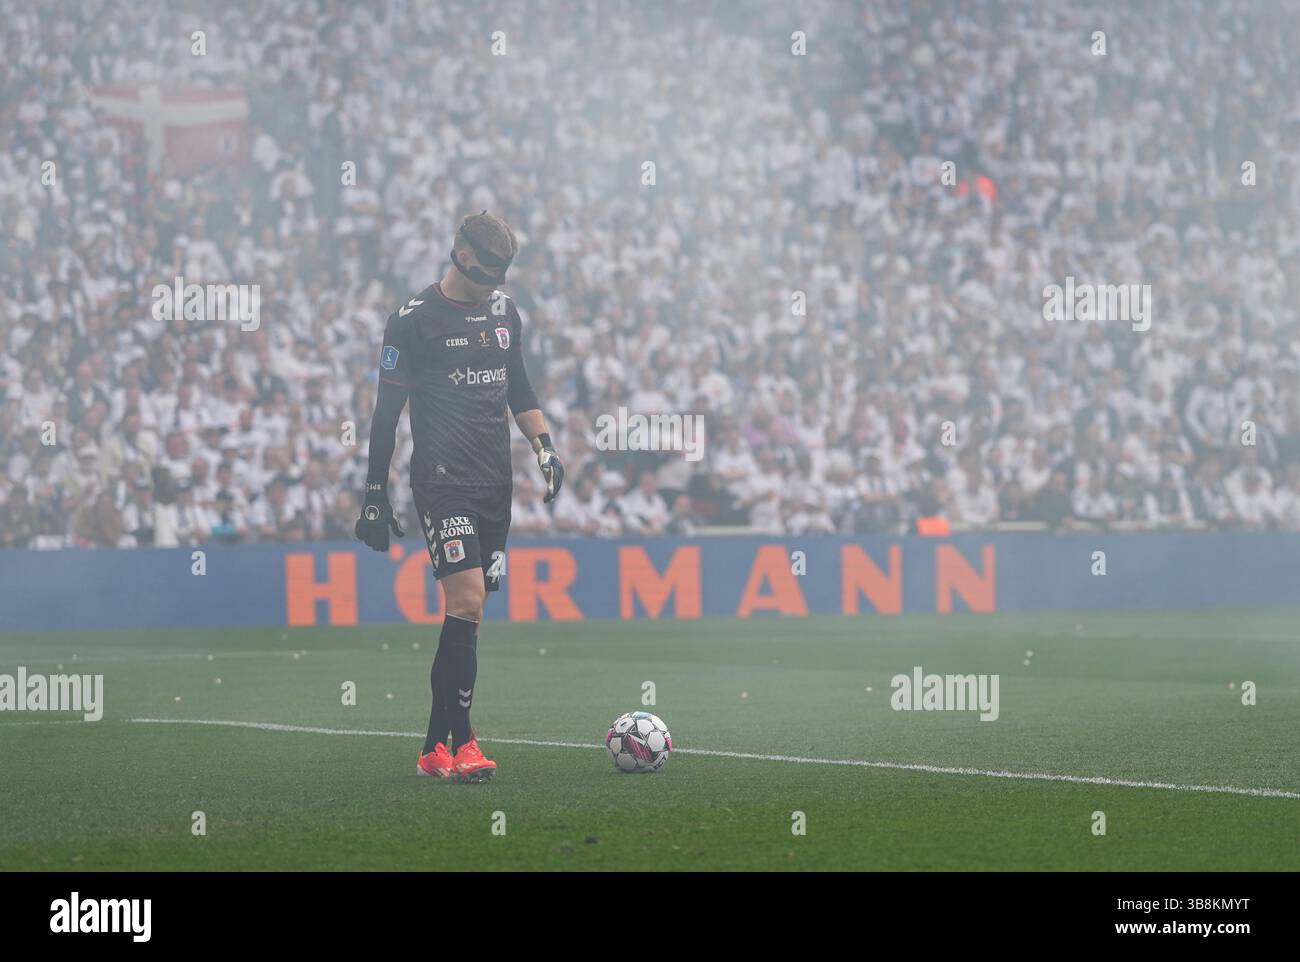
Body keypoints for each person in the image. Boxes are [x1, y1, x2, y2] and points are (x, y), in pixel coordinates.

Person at [354, 211, 564, 783]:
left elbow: (517, 386)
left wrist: (545, 447)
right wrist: (374, 495)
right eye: (489, 272)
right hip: (441, 480)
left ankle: (432, 746)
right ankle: (466, 741)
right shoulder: (411, 322)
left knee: (466, 618)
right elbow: (385, 416)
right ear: (462, 254)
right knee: (467, 600)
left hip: (495, 481)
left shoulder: (503, 311)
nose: (496, 285)